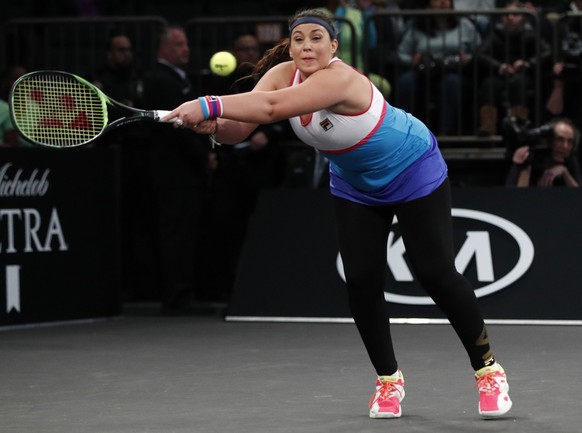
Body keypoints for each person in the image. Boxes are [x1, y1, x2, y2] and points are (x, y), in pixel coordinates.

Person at [164, 8, 512, 419]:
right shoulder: (280, 74)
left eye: (316, 38)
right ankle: (388, 382)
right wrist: (215, 127)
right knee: (361, 279)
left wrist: (206, 103)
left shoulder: (341, 78)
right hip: (355, 182)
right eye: (298, 39)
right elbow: (242, 127)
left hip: (413, 166)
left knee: (434, 272)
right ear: (289, 45)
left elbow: (273, 109)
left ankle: (488, 370)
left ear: (334, 46)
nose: (306, 46)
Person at [140, 25, 211, 312]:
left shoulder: (176, 78)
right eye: (179, 44)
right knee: (176, 234)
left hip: (185, 172)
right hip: (173, 173)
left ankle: (182, 292)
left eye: (187, 44)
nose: (186, 49)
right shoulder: (160, 79)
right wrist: (204, 157)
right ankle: (176, 296)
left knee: (184, 232)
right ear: (164, 48)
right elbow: (178, 128)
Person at [396, 0, 482, 135]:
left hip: (455, 70)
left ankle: (447, 134)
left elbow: (478, 50)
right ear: (428, 5)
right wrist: (412, 60)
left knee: (451, 83)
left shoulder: (464, 24)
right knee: (407, 81)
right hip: (423, 71)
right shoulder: (417, 27)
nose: (443, 2)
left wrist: (467, 58)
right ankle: (408, 134)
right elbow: (402, 52)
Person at [475, 1, 551, 136]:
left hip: (523, 74)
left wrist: (527, 63)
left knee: (519, 83)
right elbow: (480, 54)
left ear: (524, 17)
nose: (510, 18)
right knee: (489, 84)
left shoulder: (531, 35)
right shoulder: (495, 35)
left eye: (515, 14)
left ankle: (520, 126)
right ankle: (488, 126)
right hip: (500, 74)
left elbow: (546, 52)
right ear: (501, 17)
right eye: (506, 15)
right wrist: (500, 66)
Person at [506, 117, 581, 186]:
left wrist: (565, 172)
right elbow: (516, 196)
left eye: (570, 141)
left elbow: (578, 196)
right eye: (560, 140)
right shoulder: (531, 156)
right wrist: (526, 167)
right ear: (549, 141)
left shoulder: (570, 160)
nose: (565, 146)